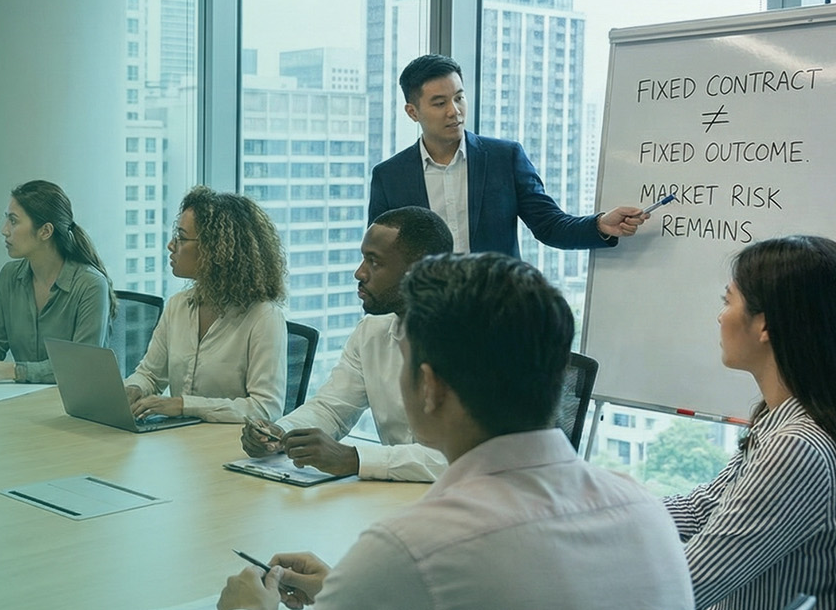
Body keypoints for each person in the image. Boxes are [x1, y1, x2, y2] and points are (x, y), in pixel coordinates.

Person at [218, 253, 694, 610]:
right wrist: (357, 591)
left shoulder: (410, 548)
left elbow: (434, 568)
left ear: (429, 386)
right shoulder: (643, 508)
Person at [663, 235, 836, 609]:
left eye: (728, 301)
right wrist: (596, 513)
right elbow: (700, 510)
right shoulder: (782, 421)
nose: (720, 316)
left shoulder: (796, 447)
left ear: (766, 326)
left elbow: (685, 586)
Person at [241, 206, 452, 482]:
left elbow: (464, 457)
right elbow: (332, 409)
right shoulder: (371, 332)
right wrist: (281, 433)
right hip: (396, 496)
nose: (359, 273)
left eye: (374, 262)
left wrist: (354, 459)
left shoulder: (480, 339)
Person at [368, 53, 648, 257]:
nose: (454, 111)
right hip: (423, 319)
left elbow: (549, 225)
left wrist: (600, 224)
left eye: (459, 97)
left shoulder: (505, 158)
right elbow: (380, 254)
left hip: (498, 311)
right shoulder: (390, 176)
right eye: (439, 103)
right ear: (412, 112)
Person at [123, 186, 286, 422]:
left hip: (226, 448)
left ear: (214, 250)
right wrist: (135, 388)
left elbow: (264, 408)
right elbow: (150, 374)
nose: (171, 245)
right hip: (179, 442)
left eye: (181, 237)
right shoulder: (178, 305)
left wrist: (183, 405)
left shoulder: (264, 317)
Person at [0, 179, 116, 383]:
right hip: (23, 401)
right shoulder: (10, 275)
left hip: (75, 405)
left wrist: (12, 371)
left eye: (13, 221)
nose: (4, 230)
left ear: (45, 231)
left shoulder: (90, 285)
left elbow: (80, 365)